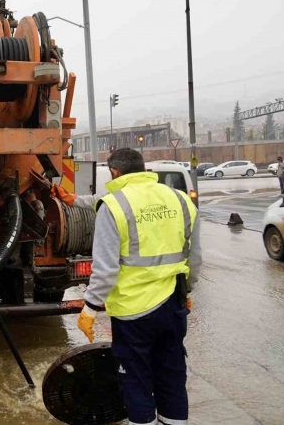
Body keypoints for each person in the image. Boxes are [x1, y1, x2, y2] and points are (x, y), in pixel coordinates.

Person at [54, 148, 202, 425]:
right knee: (171, 375)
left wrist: (90, 308)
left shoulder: (114, 206)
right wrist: (188, 292)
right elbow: (195, 258)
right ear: (142, 168)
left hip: (133, 314)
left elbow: (106, 268)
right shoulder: (180, 200)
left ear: (114, 172)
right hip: (173, 305)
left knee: (135, 379)